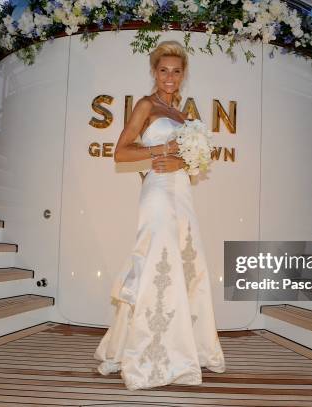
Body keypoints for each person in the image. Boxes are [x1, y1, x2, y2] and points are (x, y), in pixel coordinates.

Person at [94, 40, 226, 391]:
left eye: (176, 71)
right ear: (154, 72)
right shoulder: (146, 106)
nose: (170, 76)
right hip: (157, 194)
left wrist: (184, 159)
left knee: (188, 263)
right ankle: (149, 355)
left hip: (182, 194)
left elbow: (193, 162)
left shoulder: (184, 116)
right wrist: (159, 149)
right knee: (156, 263)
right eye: (163, 70)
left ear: (184, 76)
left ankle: (187, 349)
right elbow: (121, 153)